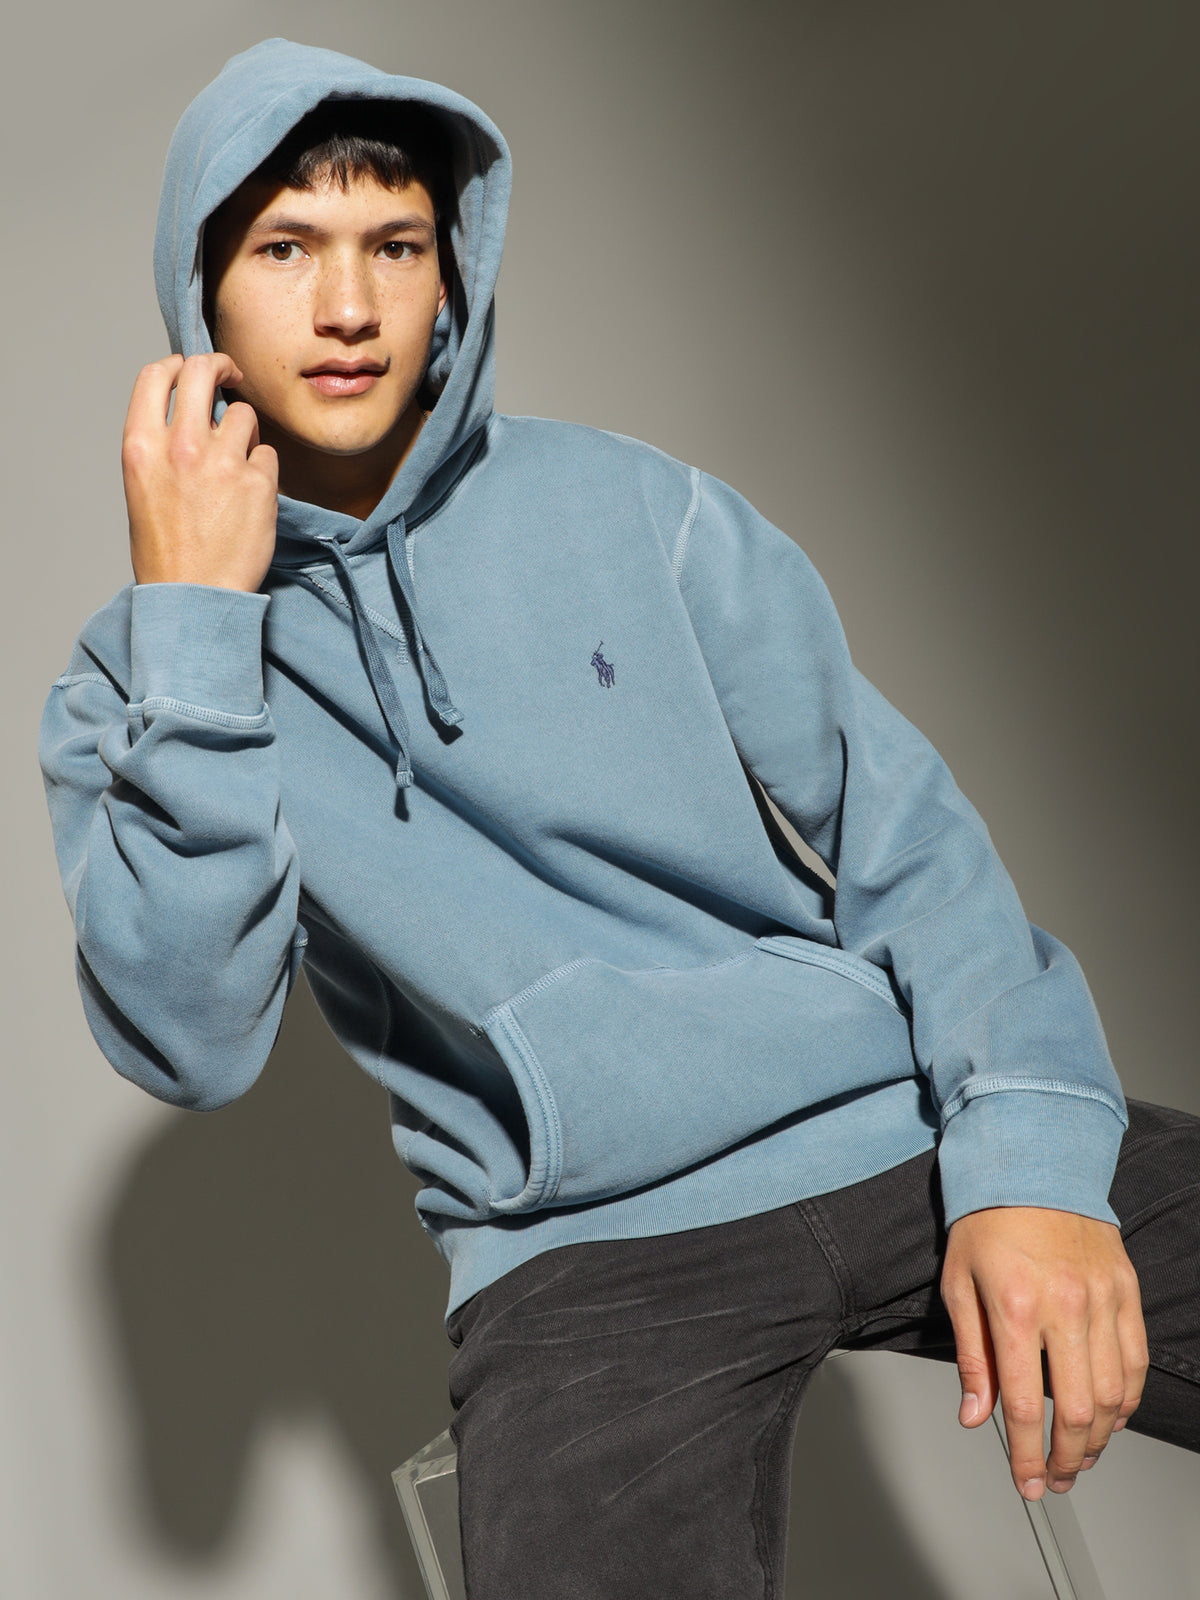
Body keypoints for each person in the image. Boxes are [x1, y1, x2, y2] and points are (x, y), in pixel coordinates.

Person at [37, 36, 1199, 1599]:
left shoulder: (643, 510)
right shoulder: (138, 680)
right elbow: (191, 1041)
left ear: (451, 273)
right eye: (286, 250)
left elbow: (908, 841)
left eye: (396, 245)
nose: (349, 305)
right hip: (587, 1255)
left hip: (902, 1124)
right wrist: (197, 623)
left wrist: (1032, 1163)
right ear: (202, 295)